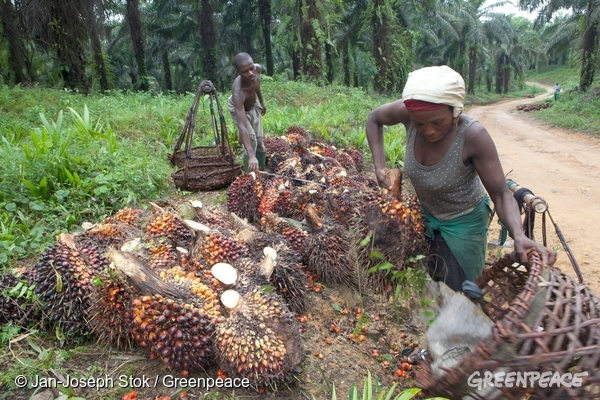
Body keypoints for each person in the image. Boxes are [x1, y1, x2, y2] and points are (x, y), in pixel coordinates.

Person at [365, 65, 557, 294]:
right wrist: (379, 166)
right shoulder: (411, 113)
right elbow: (374, 119)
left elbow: (500, 194)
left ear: (455, 111)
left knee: (462, 293)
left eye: (437, 122)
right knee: (429, 289)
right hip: (426, 219)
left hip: (463, 225)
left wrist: (518, 235)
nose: (428, 131)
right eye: (419, 124)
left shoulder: (473, 136)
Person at [227, 52, 267, 173]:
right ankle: (248, 175)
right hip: (239, 108)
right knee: (251, 139)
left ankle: (260, 171)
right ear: (238, 72)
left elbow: (257, 86)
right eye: (245, 71)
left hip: (253, 104)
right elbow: (242, 126)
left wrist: (261, 102)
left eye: (251, 68)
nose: (250, 73)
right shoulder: (238, 92)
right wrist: (251, 156)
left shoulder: (257, 69)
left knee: (259, 139)